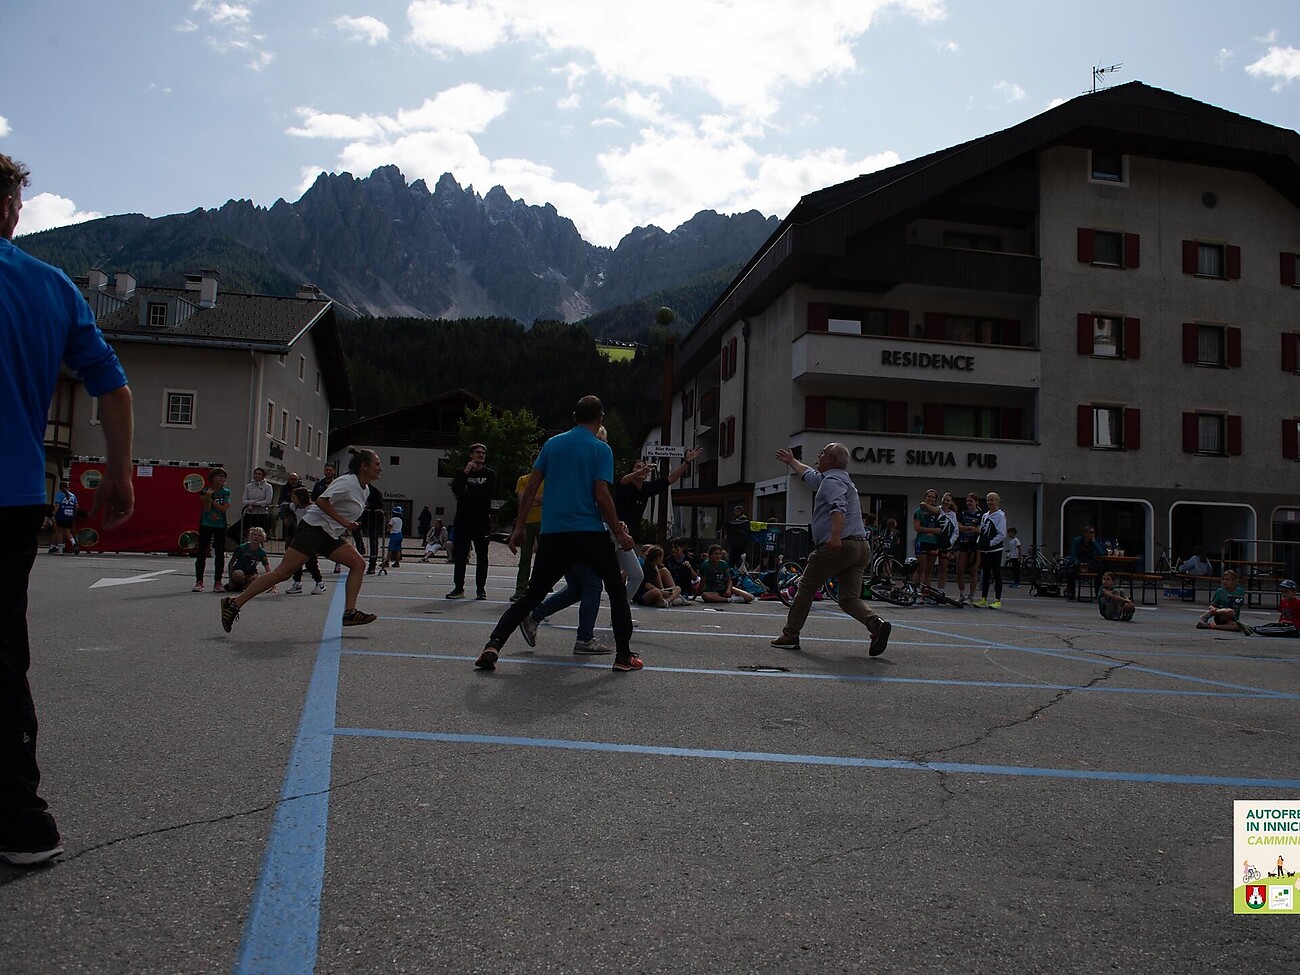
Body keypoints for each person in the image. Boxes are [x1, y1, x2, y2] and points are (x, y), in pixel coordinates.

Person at [0, 151, 134, 867]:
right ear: (8, 208)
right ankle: (23, 822)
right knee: (3, 658)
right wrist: (118, 473)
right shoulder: (50, 286)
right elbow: (112, 387)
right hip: (14, 495)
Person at [475, 395, 641, 673]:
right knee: (615, 590)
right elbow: (602, 496)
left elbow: (530, 488)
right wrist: (620, 534)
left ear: (574, 416)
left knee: (532, 595)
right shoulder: (601, 449)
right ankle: (623, 656)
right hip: (589, 533)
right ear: (600, 418)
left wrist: (518, 527)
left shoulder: (552, 444)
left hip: (554, 533)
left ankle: (493, 645)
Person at [221, 448, 383, 632]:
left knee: (358, 564)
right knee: (283, 573)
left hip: (329, 534)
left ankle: (349, 613)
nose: (380, 468)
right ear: (364, 466)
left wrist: (344, 524)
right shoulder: (348, 482)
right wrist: (344, 522)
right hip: (312, 530)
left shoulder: (365, 490)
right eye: (377, 464)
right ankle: (234, 604)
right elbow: (321, 501)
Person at [770, 443, 892, 656]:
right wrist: (791, 461)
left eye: (823, 453)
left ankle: (791, 634)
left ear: (832, 460)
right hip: (860, 547)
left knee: (806, 587)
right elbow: (809, 474)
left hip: (841, 545)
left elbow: (838, 507)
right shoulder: (837, 478)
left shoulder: (832, 482)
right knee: (849, 598)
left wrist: (835, 536)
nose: (819, 456)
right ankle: (876, 624)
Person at [614, 447, 704, 600]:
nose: (641, 469)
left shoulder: (646, 488)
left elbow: (670, 479)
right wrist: (640, 472)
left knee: (637, 574)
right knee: (603, 573)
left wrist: (687, 462)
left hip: (627, 537)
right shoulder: (625, 485)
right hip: (613, 533)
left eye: (643, 467)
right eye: (637, 467)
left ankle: (622, 608)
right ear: (632, 471)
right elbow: (623, 480)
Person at [446, 443, 496, 600]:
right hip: (463, 520)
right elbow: (456, 489)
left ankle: (481, 589)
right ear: (470, 454)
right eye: (477, 452)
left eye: (483, 453)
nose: (480, 455)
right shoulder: (461, 472)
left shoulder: (490, 474)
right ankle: (458, 588)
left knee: (482, 556)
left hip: (481, 521)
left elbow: (488, 494)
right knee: (460, 555)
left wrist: (468, 491)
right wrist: (466, 473)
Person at [193, 467, 231, 592]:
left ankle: (218, 581)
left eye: (224, 476)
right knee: (202, 552)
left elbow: (224, 508)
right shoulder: (205, 491)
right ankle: (199, 581)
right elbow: (207, 509)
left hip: (220, 524)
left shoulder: (226, 492)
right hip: (206, 523)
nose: (222, 478)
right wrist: (208, 497)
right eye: (219, 476)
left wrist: (211, 499)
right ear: (213, 478)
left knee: (219, 553)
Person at [284, 486, 326, 595]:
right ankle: (297, 583)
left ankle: (320, 583)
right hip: (299, 536)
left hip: (310, 537)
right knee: (296, 561)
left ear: (301, 497)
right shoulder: (295, 507)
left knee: (310, 562)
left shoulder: (311, 508)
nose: (292, 500)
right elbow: (286, 506)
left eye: (294, 497)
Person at [511, 465, 543, 601]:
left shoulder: (549, 480)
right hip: (527, 522)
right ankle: (520, 589)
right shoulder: (523, 479)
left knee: (543, 558)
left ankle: (539, 587)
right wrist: (537, 500)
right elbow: (522, 500)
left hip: (544, 521)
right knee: (525, 558)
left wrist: (531, 498)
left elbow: (550, 499)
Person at [973, 492, 1007, 608]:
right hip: (985, 550)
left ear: (997, 501)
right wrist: (980, 542)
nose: (990, 502)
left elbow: (1001, 534)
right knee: (985, 573)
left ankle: (997, 599)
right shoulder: (985, 515)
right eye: (988, 500)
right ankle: (984, 598)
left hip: (995, 550)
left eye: (992, 500)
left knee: (996, 573)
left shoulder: (1000, 516)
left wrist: (991, 543)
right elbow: (982, 530)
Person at [1195, 570, 1250, 635]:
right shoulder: (1220, 591)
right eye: (1223, 579)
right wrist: (1214, 609)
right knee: (1230, 611)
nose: (1224, 581)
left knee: (1237, 626)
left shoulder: (1240, 591)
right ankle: (1206, 616)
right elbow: (1212, 605)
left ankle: (1210, 626)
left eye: (1227, 579)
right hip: (1221, 616)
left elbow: (1238, 605)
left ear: (1234, 581)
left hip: (1232, 618)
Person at [912, 489, 944, 593]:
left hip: (933, 543)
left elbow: (940, 511)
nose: (931, 499)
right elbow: (917, 528)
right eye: (929, 496)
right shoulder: (918, 511)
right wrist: (933, 530)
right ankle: (913, 591)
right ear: (925, 497)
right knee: (920, 568)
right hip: (922, 541)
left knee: (928, 570)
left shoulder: (937, 511)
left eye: (933, 497)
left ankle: (926, 593)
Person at [953, 492, 982, 602]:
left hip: (975, 545)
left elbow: (978, 529)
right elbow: (958, 526)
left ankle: (971, 596)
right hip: (963, 543)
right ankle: (961, 595)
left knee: (973, 571)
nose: (969, 503)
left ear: (976, 502)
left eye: (971, 501)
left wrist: (967, 528)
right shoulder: (963, 513)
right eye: (968, 501)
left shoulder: (981, 515)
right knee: (959, 570)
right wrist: (969, 528)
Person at [1064, 526, 1105, 601]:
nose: (1092, 534)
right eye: (1090, 532)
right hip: (1079, 562)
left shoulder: (1094, 542)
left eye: (1094, 532)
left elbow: (1101, 553)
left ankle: (1098, 593)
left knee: (1100, 569)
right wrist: (1078, 563)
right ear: (1085, 534)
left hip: (1089, 563)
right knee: (1070, 571)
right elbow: (1073, 555)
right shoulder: (1077, 540)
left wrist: (1094, 543)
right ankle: (1071, 593)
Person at [227, 527, 272, 592]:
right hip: (239, 571)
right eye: (254, 534)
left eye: (260, 535)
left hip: (251, 574)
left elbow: (267, 569)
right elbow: (231, 563)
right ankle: (237, 585)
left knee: (257, 579)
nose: (256, 537)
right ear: (250, 536)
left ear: (263, 539)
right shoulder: (242, 548)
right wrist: (230, 580)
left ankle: (242, 587)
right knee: (238, 574)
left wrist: (273, 586)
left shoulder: (262, 553)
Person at [240, 467, 273, 538]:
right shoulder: (249, 486)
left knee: (260, 535)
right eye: (255, 473)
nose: (257, 475)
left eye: (259, 474)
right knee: (234, 530)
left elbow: (268, 501)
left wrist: (257, 503)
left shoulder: (268, 487)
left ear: (263, 476)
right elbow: (244, 500)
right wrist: (251, 502)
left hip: (261, 514)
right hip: (249, 514)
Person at [49, 480, 77, 554]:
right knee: (68, 532)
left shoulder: (60, 494)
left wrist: (53, 514)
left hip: (61, 515)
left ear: (60, 487)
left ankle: (60, 550)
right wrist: (74, 514)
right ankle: (74, 544)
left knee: (59, 532)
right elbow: (77, 506)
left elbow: (57, 505)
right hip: (70, 515)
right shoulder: (73, 495)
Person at [277, 472, 301, 542]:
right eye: (291, 479)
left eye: (295, 479)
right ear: (288, 480)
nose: (293, 481)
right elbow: (281, 501)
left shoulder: (301, 488)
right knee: (288, 536)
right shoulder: (284, 488)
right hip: (288, 514)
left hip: (299, 514)